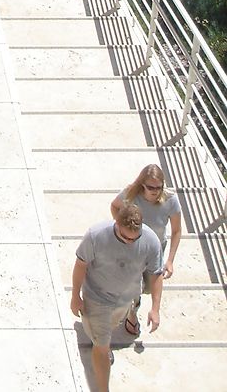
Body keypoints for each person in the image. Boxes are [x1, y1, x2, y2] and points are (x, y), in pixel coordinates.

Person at [71, 202, 163, 392]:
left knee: (107, 333)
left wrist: (155, 308)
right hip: (97, 298)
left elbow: (156, 274)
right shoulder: (96, 235)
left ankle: (102, 342)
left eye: (133, 239)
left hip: (125, 299)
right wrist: (75, 295)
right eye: (124, 237)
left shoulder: (151, 241)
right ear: (116, 223)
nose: (129, 242)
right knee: (101, 344)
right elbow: (80, 264)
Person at [110, 164, 182, 337]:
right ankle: (132, 313)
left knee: (149, 287)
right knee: (134, 285)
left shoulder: (170, 200)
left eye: (159, 187)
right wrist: (122, 228)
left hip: (156, 251)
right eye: (150, 187)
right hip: (132, 249)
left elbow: (177, 230)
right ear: (142, 184)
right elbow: (114, 206)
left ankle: (132, 307)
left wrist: (170, 260)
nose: (155, 191)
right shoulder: (131, 194)